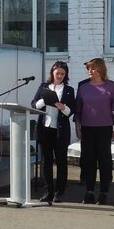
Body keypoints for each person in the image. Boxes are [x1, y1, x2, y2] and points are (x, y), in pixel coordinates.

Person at [74, 58, 114, 205]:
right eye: (88, 68)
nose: (90, 71)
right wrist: (78, 128)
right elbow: (78, 110)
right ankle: (89, 192)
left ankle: (104, 192)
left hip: (105, 128)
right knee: (88, 160)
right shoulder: (83, 88)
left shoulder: (110, 87)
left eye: (93, 68)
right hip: (87, 129)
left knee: (104, 161)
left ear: (101, 70)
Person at [31, 61, 76, 203]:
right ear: (52, 73)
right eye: (58, 73)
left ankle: (59, 192)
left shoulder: (69, 90)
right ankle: (48, 191)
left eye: (63, 74)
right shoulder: (44, 87)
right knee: (46, 162)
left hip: (60, 131)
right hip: (45, 129)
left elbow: (71, 111)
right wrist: (44, 101)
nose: (60, 76)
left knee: (61, 162)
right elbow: (34, 104)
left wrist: (63, 108)